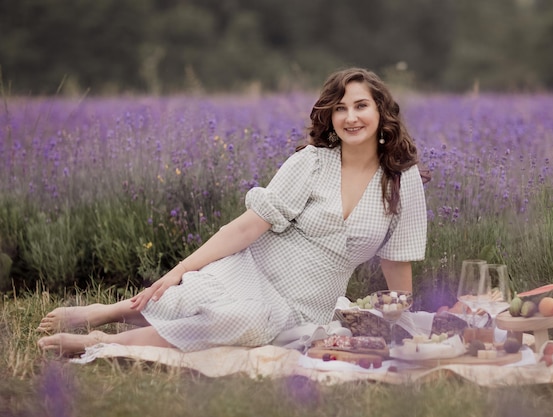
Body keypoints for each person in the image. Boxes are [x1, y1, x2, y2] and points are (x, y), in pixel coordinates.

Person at [37, 67, 430, 356]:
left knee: (243, 322)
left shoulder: (401, 181)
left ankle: (103, 343)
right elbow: (247, 227)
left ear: (381, 112)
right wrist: (179, 271)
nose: (351, 117)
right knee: (186, 300)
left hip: (305, 306)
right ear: (330, 116)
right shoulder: (312, 162)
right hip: (253, 270)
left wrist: (403, 323)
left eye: (361, 105)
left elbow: (397, 260)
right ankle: (107, 313)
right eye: (340, 108)